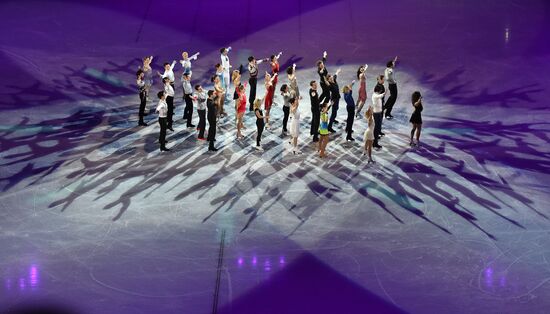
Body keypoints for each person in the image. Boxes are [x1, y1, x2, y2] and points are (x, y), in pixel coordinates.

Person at [372, 84, 387, 149]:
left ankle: (375, 139)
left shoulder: (376, 95)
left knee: (377, 128)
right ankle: (375, 143)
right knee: (376, 128)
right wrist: (385, 91)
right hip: (376, 114)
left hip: (378, 113)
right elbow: (381, 95)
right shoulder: (375, 96)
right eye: (380, 90)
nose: (381, 91)